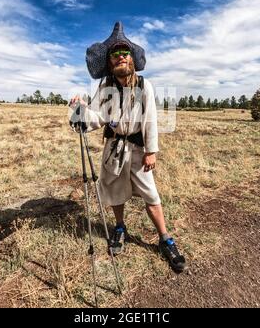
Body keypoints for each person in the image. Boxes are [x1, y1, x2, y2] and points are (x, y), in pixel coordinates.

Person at [69, 22, 186, 272]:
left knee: (151, 195)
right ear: (110, 61)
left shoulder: (145, 86)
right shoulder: (105, 87)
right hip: (113, 148)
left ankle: (165, 238)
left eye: (125, 53)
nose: (120, 57)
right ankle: (119, 228)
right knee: (114, 190)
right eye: (115, 54)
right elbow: (96, 118)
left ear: (131, 59)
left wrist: (151, 151)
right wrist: (79, 109)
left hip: (138, 150)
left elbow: (151, 120)